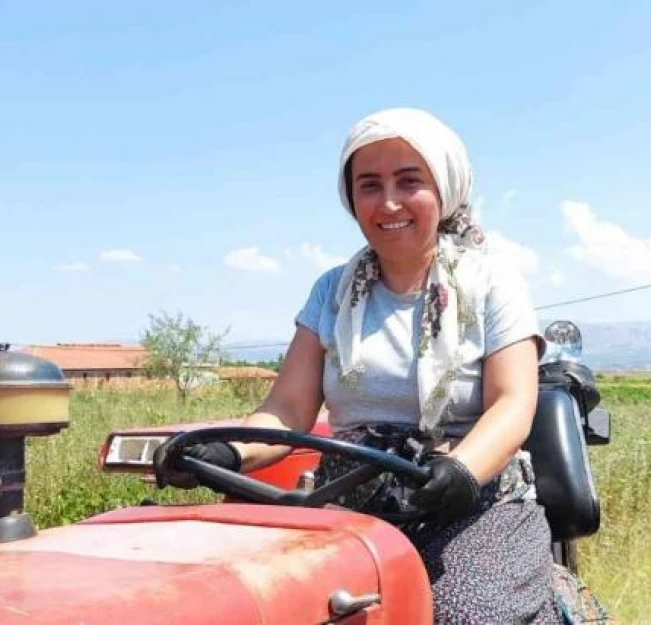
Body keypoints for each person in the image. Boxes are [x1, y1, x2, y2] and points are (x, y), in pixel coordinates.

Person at [155, 107, 563, 624]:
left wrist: (461, 470)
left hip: (470, 504)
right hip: (351, 502)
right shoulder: (332, 292)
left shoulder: (491, 282)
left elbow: (511, 405)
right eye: (369, 185)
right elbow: (286, 410)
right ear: (351, 198)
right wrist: (224, 451)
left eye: (408, 181)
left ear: (445, 188)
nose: (388, 202)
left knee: (462, 613)